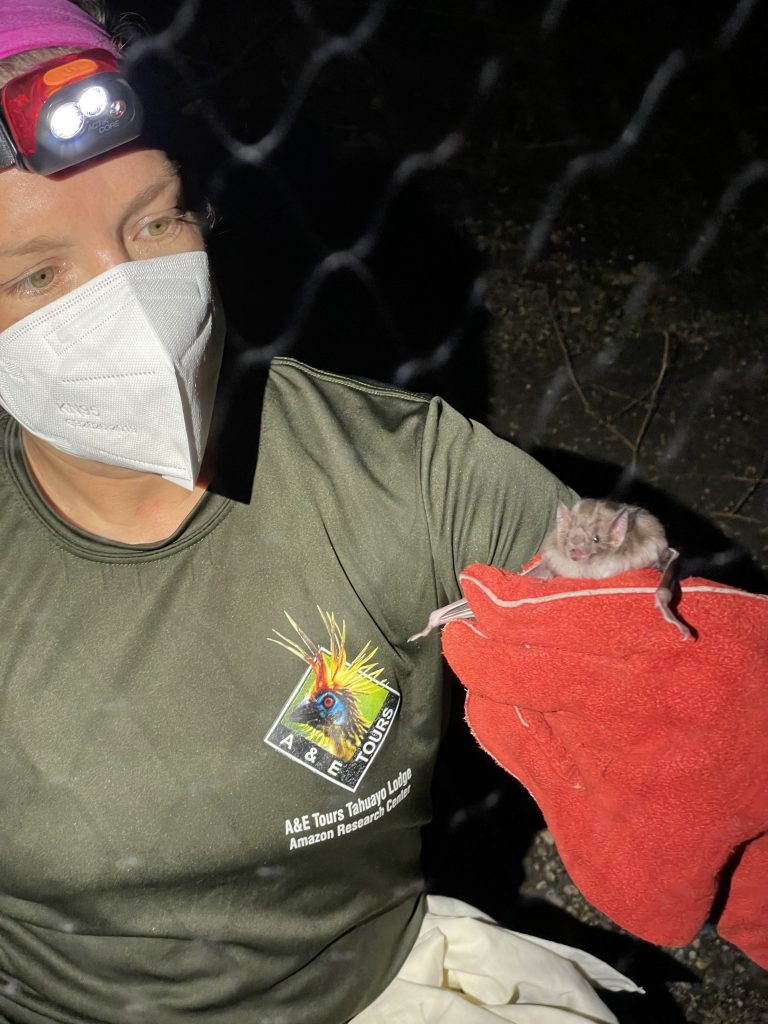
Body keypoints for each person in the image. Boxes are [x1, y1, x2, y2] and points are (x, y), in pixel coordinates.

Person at [0, 1, 643, 1021]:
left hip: (375, 983)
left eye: (155, 219)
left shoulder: (401, 466)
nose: (130, 300)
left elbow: (650, 649)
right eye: (38, 273)